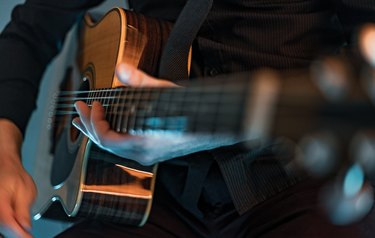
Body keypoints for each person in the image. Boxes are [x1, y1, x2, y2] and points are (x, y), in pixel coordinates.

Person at [0, 0, 375, 237]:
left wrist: (217, 130)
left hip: (298, 185)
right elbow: (31, 29)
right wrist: (5, 149)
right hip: (153, 195)